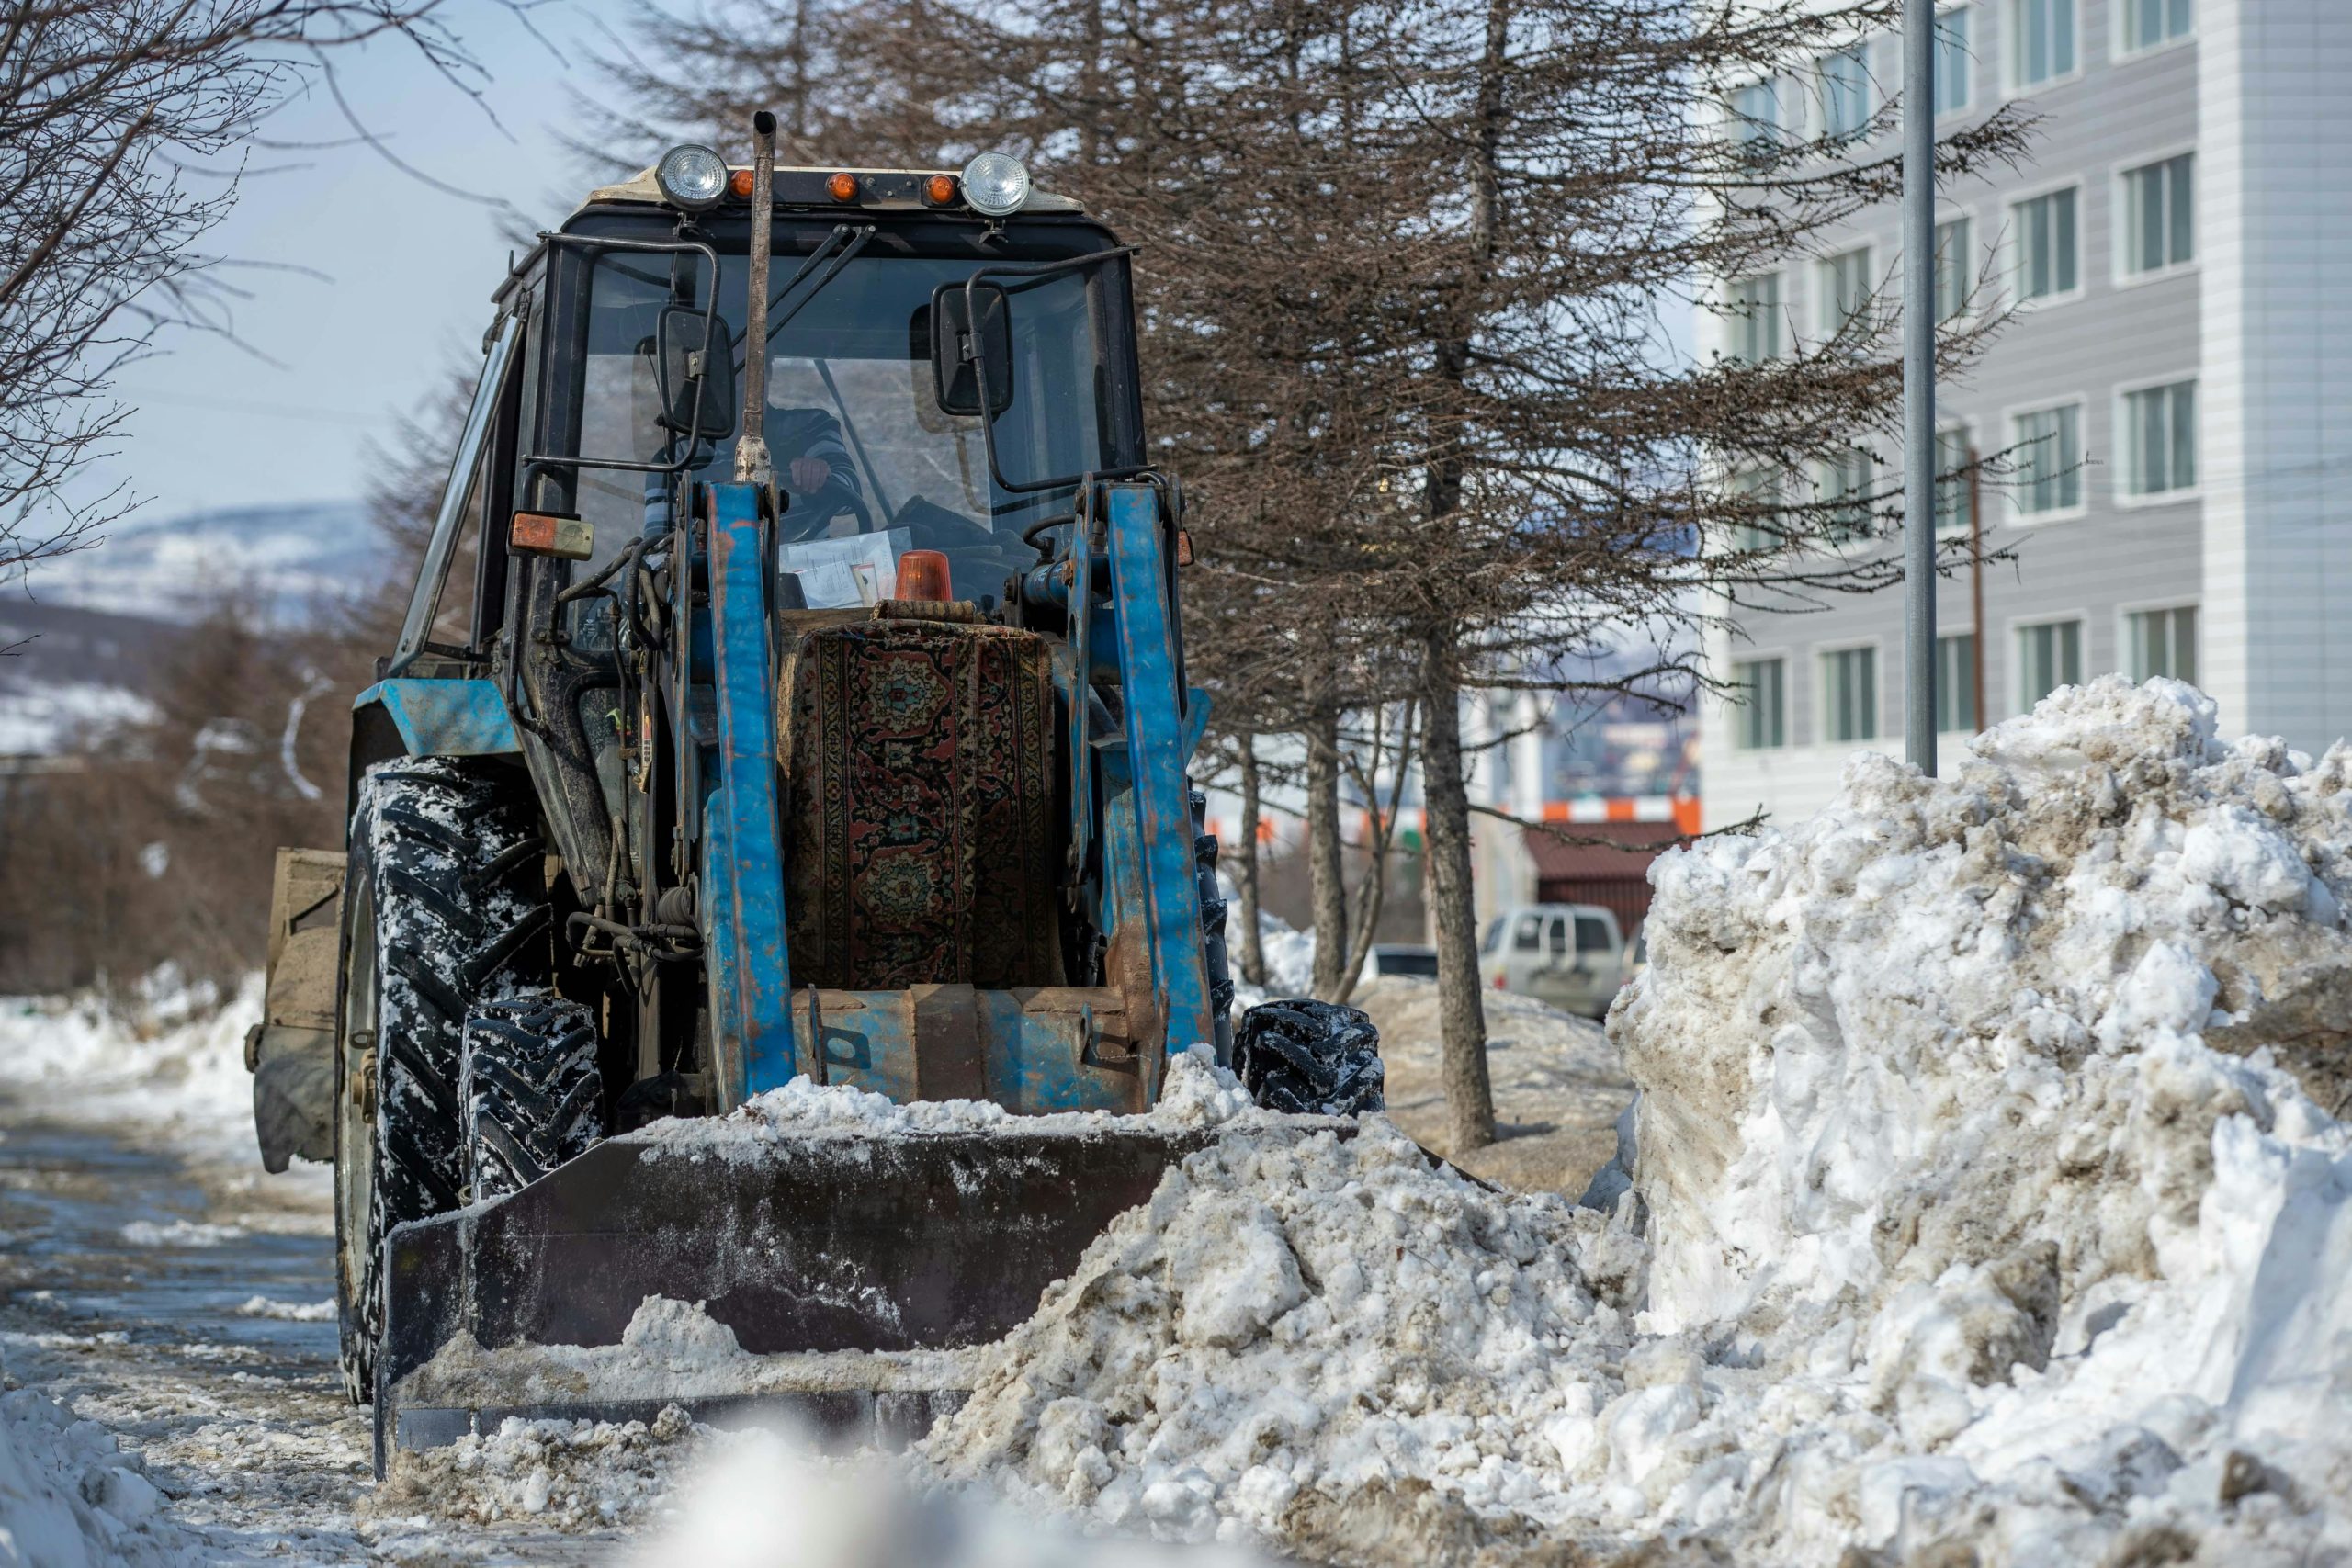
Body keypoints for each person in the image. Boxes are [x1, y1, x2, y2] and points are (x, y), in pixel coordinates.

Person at [767, 407, 865, 536]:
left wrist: (817, 479)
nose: (739, 388)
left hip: (808, 553)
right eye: (732, 386)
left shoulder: (809, 424)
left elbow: (851, 494)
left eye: (745, 385)